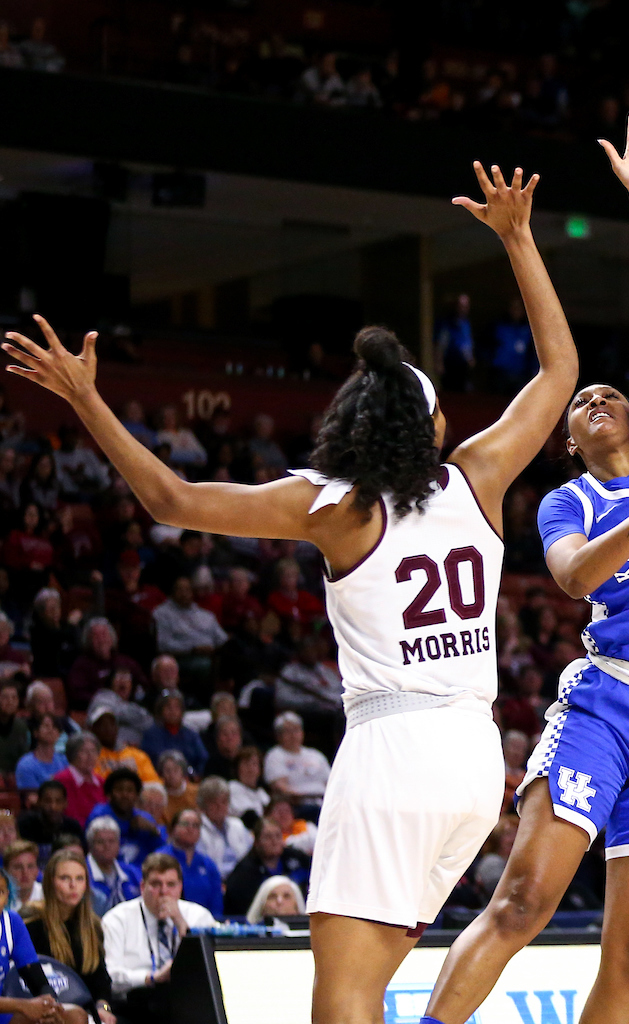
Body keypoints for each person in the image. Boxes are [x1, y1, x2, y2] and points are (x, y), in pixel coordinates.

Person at [1, 156, 578, 1024]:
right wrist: (521, 240)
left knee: (339, 1008)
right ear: (429, 425)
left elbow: (169, 499)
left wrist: (87, 399)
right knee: (372, 989)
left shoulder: (333, 508)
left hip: (391, 752)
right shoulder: (478, 478)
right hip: (474, 759)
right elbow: (558, 373)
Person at [421, 109, 629, 1024]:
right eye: (580, 401)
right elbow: (574, 578)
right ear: (567, 437)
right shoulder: (565, 502)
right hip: (608, 704)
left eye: (607, 393)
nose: (594, 398)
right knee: (521, 905)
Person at [101, 853, 215, 1024]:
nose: (164, 892)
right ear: (142, 887)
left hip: (189, 1002)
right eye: (156, 884)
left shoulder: (198, 916)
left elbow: (211, 965)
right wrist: (151, 977)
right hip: (135, 1006)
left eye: (171, 885)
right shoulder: (117, 919)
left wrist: (180, 922)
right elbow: (109, 975)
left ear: (180, 887)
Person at [23, 849, 115, 1024]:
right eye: (64, 878)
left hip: (85, 1012)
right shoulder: (31, 923)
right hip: (41, 1012)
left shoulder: (93, 926)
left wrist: (103, 1008)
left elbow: (101, 981)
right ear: (50, 883)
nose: (73, 885)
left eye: (79, 879)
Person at [0, 864, 86, 1024]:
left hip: (6, 1011)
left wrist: (50, 1005)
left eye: (0, 892)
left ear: (7, 897)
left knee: (75, 1015)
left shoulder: (11, 922)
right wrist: (23, 1005)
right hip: (9, 1006)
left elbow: (36, 977)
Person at [224, 817, 310, 916]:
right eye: (268, 837)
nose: (274, 841)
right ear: (256, 842)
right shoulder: (243, 873)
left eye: (278, 836)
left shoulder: (297, 858)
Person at [85, 771, 162, 871]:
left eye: (130, 790)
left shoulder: (145, 819)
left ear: (137, 795)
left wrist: (153, 830)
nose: (125, 795)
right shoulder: (99, 816)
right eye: (119, 790)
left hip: (141, 875)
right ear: (109, 794)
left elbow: (162, 852)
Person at [157, 809, 222, 918]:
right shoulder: (160, 858)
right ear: (173, 829)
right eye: (185, 824)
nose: (190, 829)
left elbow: (216, 903)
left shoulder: (208, 864)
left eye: (195, 825)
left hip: (203, 924)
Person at [263, 711, 329, 808]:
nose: (293, 735)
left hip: (324, 803)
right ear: (278, 736)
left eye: (296, 730)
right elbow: (280, 787)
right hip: (297, 805)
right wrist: (307, 796)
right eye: (288, 731)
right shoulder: (275, 756)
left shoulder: (316, 755)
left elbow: (330, 782)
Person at [195, 778, 252, 880]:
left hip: (244, 879)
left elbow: (252, 854)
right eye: (214, 803)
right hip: (216, 880)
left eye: (224, 802)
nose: (220, 806)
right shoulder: (197, 829)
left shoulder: (237, 825)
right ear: (204, 805)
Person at [140, 691, 207, 777]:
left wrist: (197, 775)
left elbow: (203, 758)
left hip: (189, 781)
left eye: (176, 707)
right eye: (168, 707)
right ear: (161, 710)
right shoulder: (150, 734)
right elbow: (147, 761)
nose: (172, 711)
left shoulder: (192, 735)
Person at [87, 706, 158, 786]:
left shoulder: (138, 755)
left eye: (111, 724)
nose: (108, 728)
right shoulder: (88, 757)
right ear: (92, 729)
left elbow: (154, 784)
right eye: (102, 725)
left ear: (117, 728)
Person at [17, 781, 83, 865]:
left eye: (58, 801)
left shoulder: (73, 827)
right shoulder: (26, 824)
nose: (53, 807)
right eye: (48, 801)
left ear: (65, 803)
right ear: (39, 802)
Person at [85, 817, 139, 916]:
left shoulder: (132, 872)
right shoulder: (82, 872)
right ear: (90, 845)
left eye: (112, 841)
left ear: (119, 844)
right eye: (100, 842)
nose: (107, 846)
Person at [54, 734, 105, 827]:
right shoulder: (62, 780)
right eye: (84, 751)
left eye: (93, 751)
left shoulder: (101, 781)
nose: (90, 756)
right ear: (72, 754)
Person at [15, 715, 68, 798]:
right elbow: (32, 798)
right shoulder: (26, 764)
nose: (51, 730)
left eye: (54, 727)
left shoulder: (65, 761)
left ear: (59, 734)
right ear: (36, 732)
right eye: (46, 726)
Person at [155, 751, 196, 825]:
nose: (172, 775)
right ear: (161, 773)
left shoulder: (196, 791)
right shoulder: (158, 795)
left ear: (182, 771)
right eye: (167, 771)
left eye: (176, 770)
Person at [229, 746, 270, 818]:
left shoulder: (262, 794)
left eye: (254, 764)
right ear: (237, 768)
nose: (250, 769)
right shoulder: (232, 787)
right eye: (246, 764)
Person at [0, 681, 29, 778]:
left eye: (14, 697)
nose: (10, 701)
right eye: (5, 697)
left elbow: (23, 759)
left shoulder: (21, 727)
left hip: (15, 778)